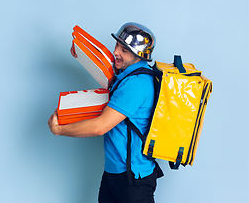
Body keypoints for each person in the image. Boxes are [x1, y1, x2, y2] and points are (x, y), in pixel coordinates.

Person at [48, 22, 163, 203]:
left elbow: (100, 127)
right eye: (117, 45)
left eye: (124, 50)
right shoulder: (127, 75)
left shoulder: (135, 84)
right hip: (115, 173)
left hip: (133, 179)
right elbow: (107, 74)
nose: (116, 51)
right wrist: (81, 53)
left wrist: (59, 130)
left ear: (139, 55)